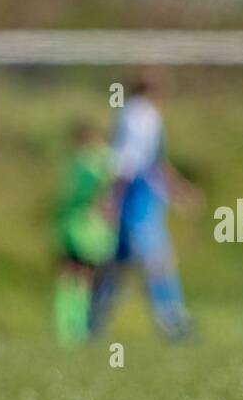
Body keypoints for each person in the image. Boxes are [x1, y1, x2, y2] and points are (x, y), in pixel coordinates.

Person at [89, 71, 201, 340]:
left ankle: (92, 323)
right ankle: (171, 320)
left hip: (139, 194)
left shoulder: (134, 112)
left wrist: (177, 188)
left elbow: (150, 161)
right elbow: (129, 163)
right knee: (156, 259)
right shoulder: (141, 115)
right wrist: (114, 200)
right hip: (138, 197)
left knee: (118, 263)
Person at [51, 119, 117, 346]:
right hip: (88, 229)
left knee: (72, 275)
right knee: (82, 276)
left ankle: (70, 329)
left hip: (78, 227)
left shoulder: (82, 161)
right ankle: (74, 329)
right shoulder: (100, 160)